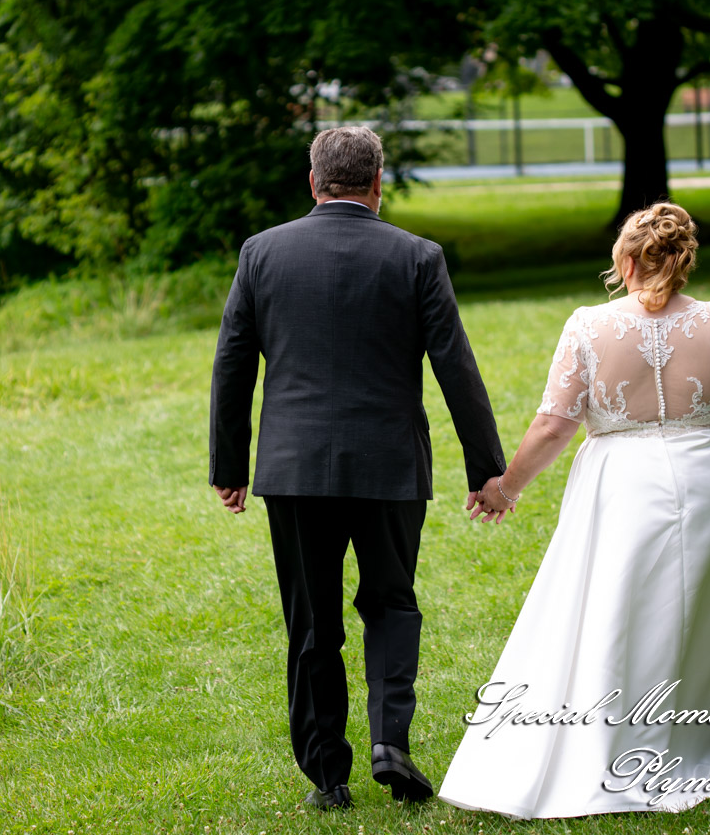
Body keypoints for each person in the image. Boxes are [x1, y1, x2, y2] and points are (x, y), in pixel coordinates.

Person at [438, 202, 710, 819]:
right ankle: (687, 728)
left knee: (618, 603)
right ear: (683, 261)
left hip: (623, 479)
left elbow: (555, 425)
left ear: (626, 262)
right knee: (695, 603)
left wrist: (506, 488)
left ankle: (614, 734)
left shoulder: (589, 326)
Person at [208, 125, 506, 811]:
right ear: (378, 183)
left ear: (314, 182)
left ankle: (328, 778)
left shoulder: (262, 253)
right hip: (390, 466)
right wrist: (484, 468)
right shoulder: (418, 256)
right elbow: (456, 367)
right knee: (392, 603)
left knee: (312, 621)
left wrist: (230, 465)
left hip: (294, 470)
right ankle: (390, 743)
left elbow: (233, 363)